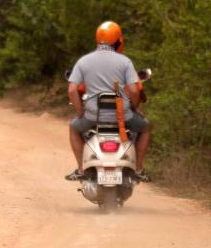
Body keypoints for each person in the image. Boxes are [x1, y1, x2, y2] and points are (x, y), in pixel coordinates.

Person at [65, 21, 153, 182]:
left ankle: (81, 168)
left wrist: (80, 113)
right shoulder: (124, 61)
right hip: (123, 116)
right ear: (119, 41)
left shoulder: (84, 61)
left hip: (92, 117)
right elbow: (134, 90)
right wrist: (134, 108)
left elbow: (72, 90)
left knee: (73, 127)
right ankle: (139, 169)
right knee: (146, 127)